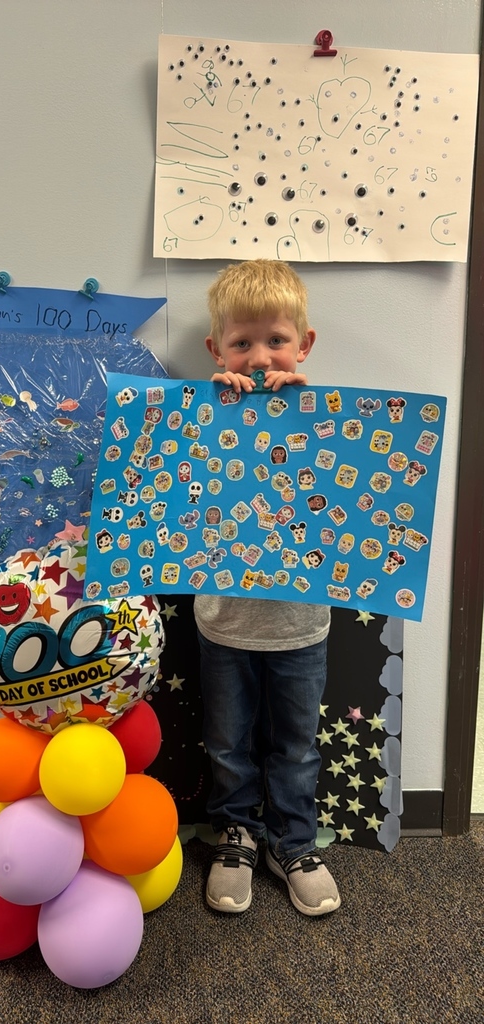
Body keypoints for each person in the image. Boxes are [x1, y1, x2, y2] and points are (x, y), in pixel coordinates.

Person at [194, 259, 340, 917]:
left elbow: (348, 498)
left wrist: (300, 414)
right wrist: (208, 415)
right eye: (242, 343)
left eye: (276, 340)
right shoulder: (197, 421)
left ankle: (295, 842)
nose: (259, 359)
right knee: (228, 742)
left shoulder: (325, 421)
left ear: (304, 345)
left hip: (300, 625)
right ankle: (236, 834)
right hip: (224, 623)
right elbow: (174, 497)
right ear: (215, 351)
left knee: (295, 745)